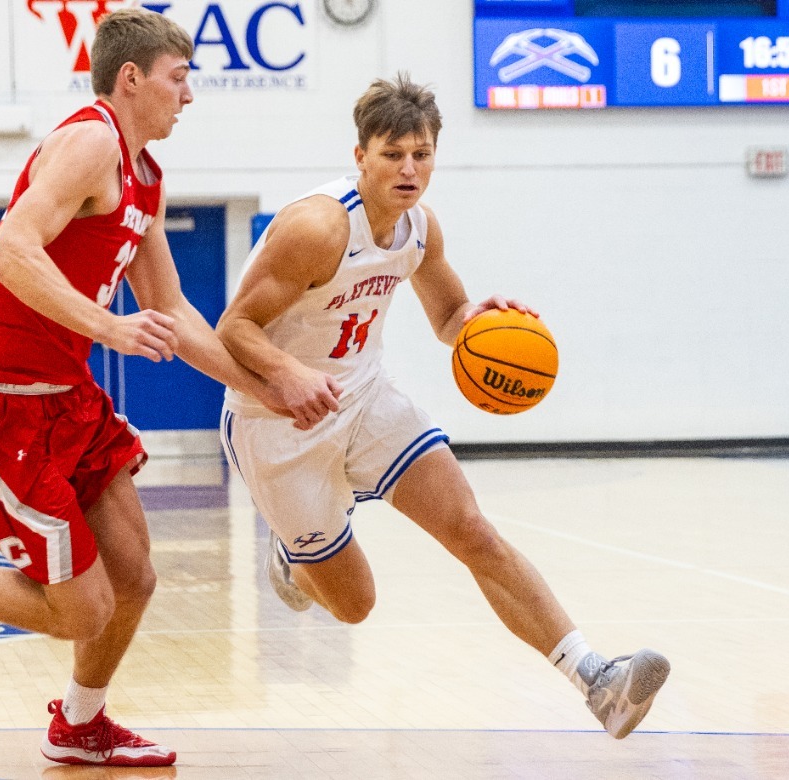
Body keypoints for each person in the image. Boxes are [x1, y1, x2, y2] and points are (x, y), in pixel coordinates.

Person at [0, 9, 287, 767]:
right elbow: (10, 248)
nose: (190, 96)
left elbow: (171, 308)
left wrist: (260, 386)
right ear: (132, 78)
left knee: (135, 576)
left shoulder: (146, 176)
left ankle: (80, 724)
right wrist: (110, 329)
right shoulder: (89, 141)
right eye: (180, 79)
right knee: (85, 608)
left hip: (66, 397)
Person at [216, 72, 670, 740]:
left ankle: (597, 681)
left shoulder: (418, 229)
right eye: (393, 153)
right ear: (360, 156)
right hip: (275, 419)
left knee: (472, 530)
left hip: (364, 395)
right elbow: (233, 328)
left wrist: (478, 320)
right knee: (355, 605)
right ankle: (295, 553)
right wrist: (288, 375)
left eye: (421, 154)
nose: (408, 168)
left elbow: (448, 314)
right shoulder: (314, 228)